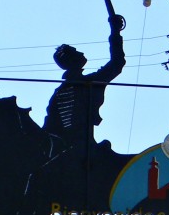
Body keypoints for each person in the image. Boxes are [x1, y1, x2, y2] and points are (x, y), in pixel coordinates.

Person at [43, 14, 126, 154]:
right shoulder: (85, 84)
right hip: (81, 150)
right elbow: (117, 63)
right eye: (76, 52)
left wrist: (115, 32)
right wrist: (115, 32)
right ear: (72, 60)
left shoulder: (60, 93)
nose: (81, 53)